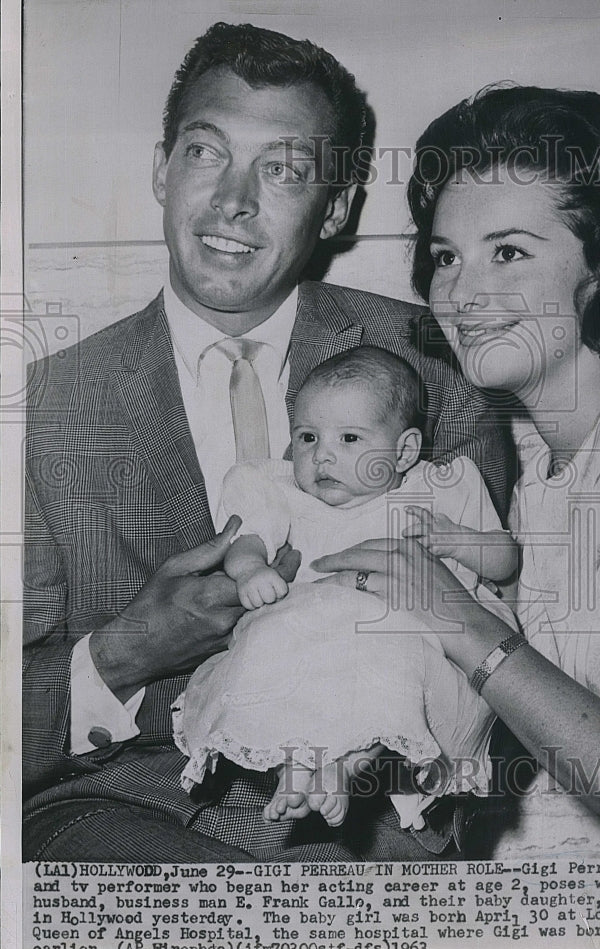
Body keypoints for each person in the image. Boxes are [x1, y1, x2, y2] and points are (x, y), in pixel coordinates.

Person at [23, 23, 512, 863]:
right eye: (205, 153)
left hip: (367, 814)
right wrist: (120, 652)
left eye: (282, 169)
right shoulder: (42, 404)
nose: (232, 201)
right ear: (161, 169)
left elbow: (489, 630)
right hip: (113, 814)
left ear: (335, 207)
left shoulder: (433, 361)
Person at [314, 85, 600, 857]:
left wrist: (464, 624)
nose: (459, 293)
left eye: (508, 251)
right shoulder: (552, 474)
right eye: (444, 257)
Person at [172, 346, 517, 831]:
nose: (323, 456)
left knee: (388, 664)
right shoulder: (282, 492)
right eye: (308, 437)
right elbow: (245, 536)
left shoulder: (436, 488)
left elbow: (504, 560)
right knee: (270, 645)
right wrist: (250, 570)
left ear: (403, 451)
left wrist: (457, 540)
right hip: (309, 636)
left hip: (404, 633)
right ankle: (293, 764)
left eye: (350, 438)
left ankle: (348, 765)